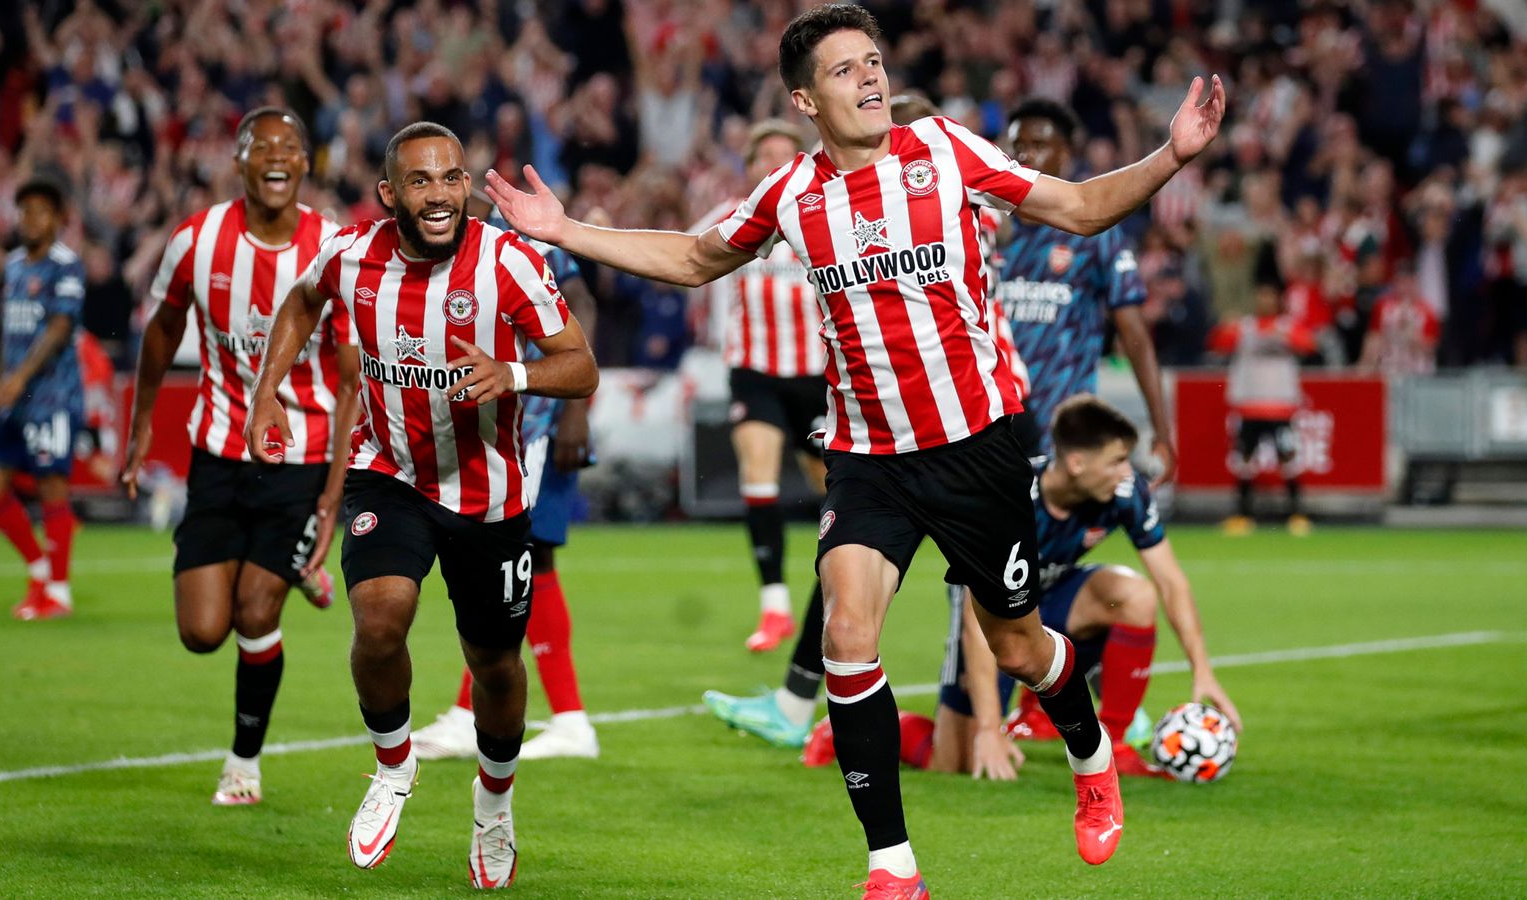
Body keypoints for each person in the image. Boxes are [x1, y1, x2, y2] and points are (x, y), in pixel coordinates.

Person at [485, 4, 1226, 891]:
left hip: (979, 445)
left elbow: (1076, 206)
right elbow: (691, 257)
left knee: (1024, 651)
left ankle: (1090, 750)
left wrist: (1171, 155)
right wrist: (567, 231)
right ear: (805, 98)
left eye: (873, 62)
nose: (871, 78)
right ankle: (893, 866)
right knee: (845, 629)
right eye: (845, 70)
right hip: (870, 457)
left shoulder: (944, 150)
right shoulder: (791, 194)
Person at [245, 122, 597, 886]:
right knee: (377, 621)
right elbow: (302, 304)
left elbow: (580, 364)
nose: (438, 194)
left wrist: (517, 373)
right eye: (420, 181)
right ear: (389, 194)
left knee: (497, 667)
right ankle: (392, 766)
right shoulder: (350, 254)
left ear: (465, 185)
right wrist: (268, 391)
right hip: (390, 474)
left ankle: (495, 805)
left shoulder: (508, 260)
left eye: (450, 178)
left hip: (489, 491)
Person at [701, 94, 1029, 750]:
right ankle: (801, 697)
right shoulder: (802, 200)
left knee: (1012, 617)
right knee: (846, 568)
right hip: (874, 422)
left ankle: (1027, 717)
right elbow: (698, 266)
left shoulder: (946, 184)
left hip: (977, 414)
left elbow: (1022, 216)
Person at [803, 396, 1243, 780]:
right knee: (950, 760)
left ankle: (1112, 740)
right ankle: (837, 730)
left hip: (1052, 606)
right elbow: (974, 622)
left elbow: (1170, 581)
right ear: (1076, 463)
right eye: (1116, 460)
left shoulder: (1126, 494)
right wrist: (989, 731)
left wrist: (1201, 669)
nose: (1126, 472)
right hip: (987, 614)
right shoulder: (1010, 495)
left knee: (1135, 593)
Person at [119, 107, 359, 807]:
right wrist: (139, 431)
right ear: (240, 161)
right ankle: (297, 572)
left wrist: (334, 491)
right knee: (201, 632)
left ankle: (243, 763)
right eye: (263, 148)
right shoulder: (197, 241)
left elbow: (350, 379)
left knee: (256, 616)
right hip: (218, 452)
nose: (278, 158)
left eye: (292, 148)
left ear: (306, 165)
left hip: (303, 457)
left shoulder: (333, 246)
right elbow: (163, 330)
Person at [410, 188, 601, 762]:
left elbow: (579, 306)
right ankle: (484, 713)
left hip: (535, 423)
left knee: (525, 558)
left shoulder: (516, 233)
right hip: (501, 427)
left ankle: (566, 718)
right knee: (514, 561)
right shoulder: (442, 245)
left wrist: (577, 411)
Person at [691, 118, 828, 653]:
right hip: (754, 369)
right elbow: (682, 255)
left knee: (834, 493)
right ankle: (775, 606)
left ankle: (837, 589)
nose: (771, 162)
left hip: (818, 373)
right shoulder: (730, 218)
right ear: (747, 168)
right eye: (761, 154)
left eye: (782, 153)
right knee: (758, 469)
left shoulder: (823, 213)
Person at [997, 98, 1176, 481]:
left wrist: (1162, 431)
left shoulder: (1094, 235)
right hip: (995, 428)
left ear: (1067, 153)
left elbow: (1136, 336)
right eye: (1017, 145)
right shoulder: (985, 229)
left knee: (1052, 538)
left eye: (1039, 144)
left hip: (1066, 431)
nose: (1025, 155)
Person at [0, 177, 85, 621]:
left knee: (51, 488)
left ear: (58, 219)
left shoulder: (66, 264)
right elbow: (11, 330)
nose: (31, 219)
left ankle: (58, 592)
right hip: (15, 395)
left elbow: (60, 328)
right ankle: (40, 570)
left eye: (41, 211)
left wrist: (20, 377)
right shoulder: (16, 265)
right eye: (25, 210)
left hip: (52, 397)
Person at [1206, 280, 1317, 536]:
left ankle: (1297, 514)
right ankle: (1243, 515)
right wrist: (1225, 325)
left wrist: (1284, 336)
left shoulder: (1287, 327)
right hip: (1249, 406)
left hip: (1280, 406)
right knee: (1244, 459)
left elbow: (1309, 345)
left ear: (1277, 301)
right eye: (1262, 296)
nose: (1265, 302)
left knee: (1288, 457)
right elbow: (1218, 342)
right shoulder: (1244, 328)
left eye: (1270, 297)